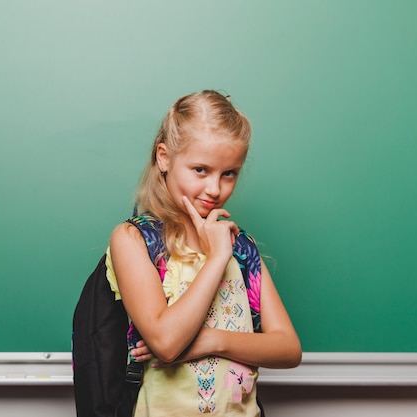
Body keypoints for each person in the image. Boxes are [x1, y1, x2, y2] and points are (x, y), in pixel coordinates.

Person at [105, 90, 301, 416]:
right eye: (200, 170)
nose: (214, 189)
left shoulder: (239, 246)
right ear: (164, 158)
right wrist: (216, 259)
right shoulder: (134, 239)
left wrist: (211, 340)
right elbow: (166, 343)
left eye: (229, 174)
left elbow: (288, 348)